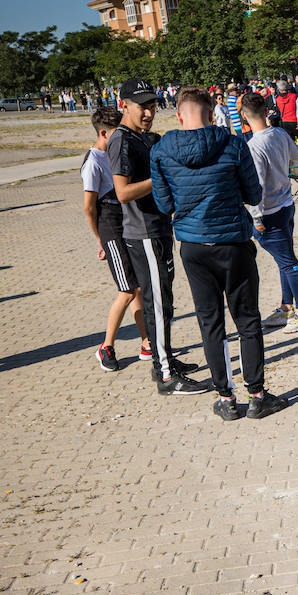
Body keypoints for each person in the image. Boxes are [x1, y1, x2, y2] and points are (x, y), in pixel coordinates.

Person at [150, 86, 288, 421]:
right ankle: (257, 395)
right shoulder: (233, 144)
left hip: (194, 247)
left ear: (180, 115)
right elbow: (253, 194)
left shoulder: (161, 151)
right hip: (233, 244)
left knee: (210, 322)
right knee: (247, 320)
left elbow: (164, 203)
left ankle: (226, 399)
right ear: (212, 113)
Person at [109, 77, 208, 395]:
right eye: (142, 106)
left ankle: (166, 361)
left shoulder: (145, 138)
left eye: (152, 105)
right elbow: (123, 192)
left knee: (164, 302)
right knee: (156, 304)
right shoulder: (121, 140)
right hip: (144, 233)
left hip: (160, 228)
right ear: (124, 104)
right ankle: (165, 375)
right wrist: (160, 176)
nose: (149, 112)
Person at [240, 93, 298, 336]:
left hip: (270, 211)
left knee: (287, 262)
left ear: (244, 115)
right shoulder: (280, 134)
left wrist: (256, 217)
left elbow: (256, 186)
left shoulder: (254, 146)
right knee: (285, 259)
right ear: (265, 111)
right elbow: (296, 156)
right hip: (285, 204)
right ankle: (287, 306)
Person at [82, 107, 147, 372]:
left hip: (125, 220)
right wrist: (100, 240)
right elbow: (88, 207)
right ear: (102, 133)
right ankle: (106, 346)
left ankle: (147, 343)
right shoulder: (93, 161)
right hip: (109, 225)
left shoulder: (113, 154)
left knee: (138, 287)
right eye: (115, 133)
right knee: (127, 289)